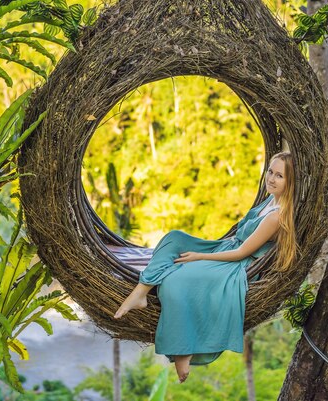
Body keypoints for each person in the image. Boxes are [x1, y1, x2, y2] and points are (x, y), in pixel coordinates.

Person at [113, 151, 297, 383]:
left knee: (176, 280)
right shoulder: (270, 200)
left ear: (290, 182)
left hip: (237, 264)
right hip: (225, 247)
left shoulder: (276, 216)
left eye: (279, 176)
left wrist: (198, 256)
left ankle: (183, 350)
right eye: (270, 171)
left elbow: (243, 252)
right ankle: (141, 291)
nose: (271, 178)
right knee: (174, 238)